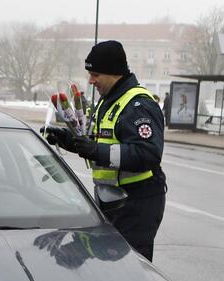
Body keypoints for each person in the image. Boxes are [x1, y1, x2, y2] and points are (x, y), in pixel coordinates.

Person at [43, 40, 166, 261]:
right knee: (111, 270)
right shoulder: (108, 102)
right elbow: (100, 141)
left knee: (131, 272)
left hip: (137, 204)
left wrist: (98, 151)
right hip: (112, 201)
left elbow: (148, 154)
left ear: (114, 72)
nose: (91, 81)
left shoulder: (138, 105)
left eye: (95, 74)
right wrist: (69, 141)